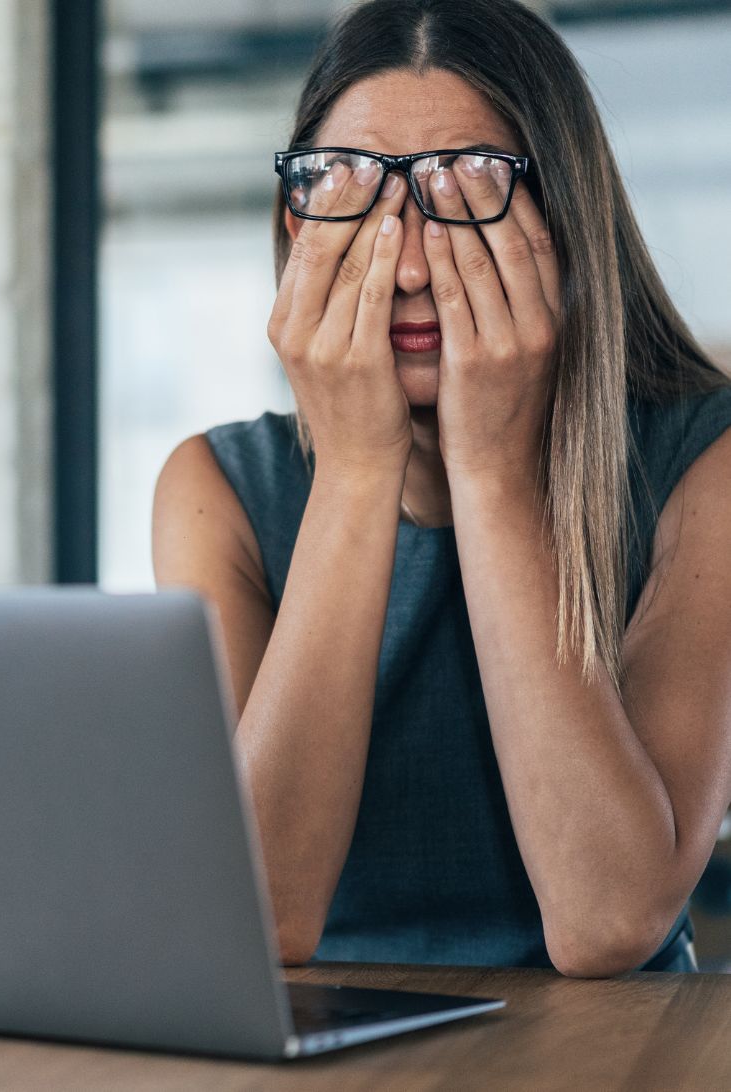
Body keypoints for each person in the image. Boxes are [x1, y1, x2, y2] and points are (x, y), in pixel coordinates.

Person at [151, 0, 731, 977]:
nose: (411, 265)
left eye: (468, 191)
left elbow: (610, 921)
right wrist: (359, 469)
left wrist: (494, 474)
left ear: (563, 220)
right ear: (298, 223)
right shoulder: (215, 490)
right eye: (359, 195)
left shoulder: (701, 462)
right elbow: (258, 920)